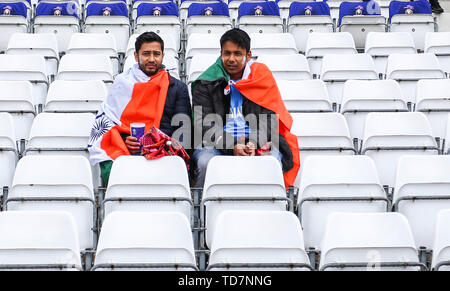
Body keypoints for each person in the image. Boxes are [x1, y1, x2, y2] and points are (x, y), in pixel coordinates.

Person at [191, 28, 300, 188]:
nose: (231, 59)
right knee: (205, 162)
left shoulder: (261, 78)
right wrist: (232, 145)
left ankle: (271, 205)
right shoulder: (206, 82)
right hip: (217, 143)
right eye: (227, 53)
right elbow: (205, 124)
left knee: (271, 161)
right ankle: (204, 209)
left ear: (248, 55)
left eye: (238, 54)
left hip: (256, 140)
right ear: (220, 53)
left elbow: (269, 119)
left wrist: (253, 142)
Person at [88, 31, 192, 186]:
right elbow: (109, 121)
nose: (151, 59)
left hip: (164, 153)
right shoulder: (123, 84)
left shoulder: (177, 88)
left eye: (156, 54)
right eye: (146, 54)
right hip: (129, 149)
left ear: (162, 56)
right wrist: (124, 140)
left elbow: (183, 132)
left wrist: (157, 144)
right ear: (136, 56)